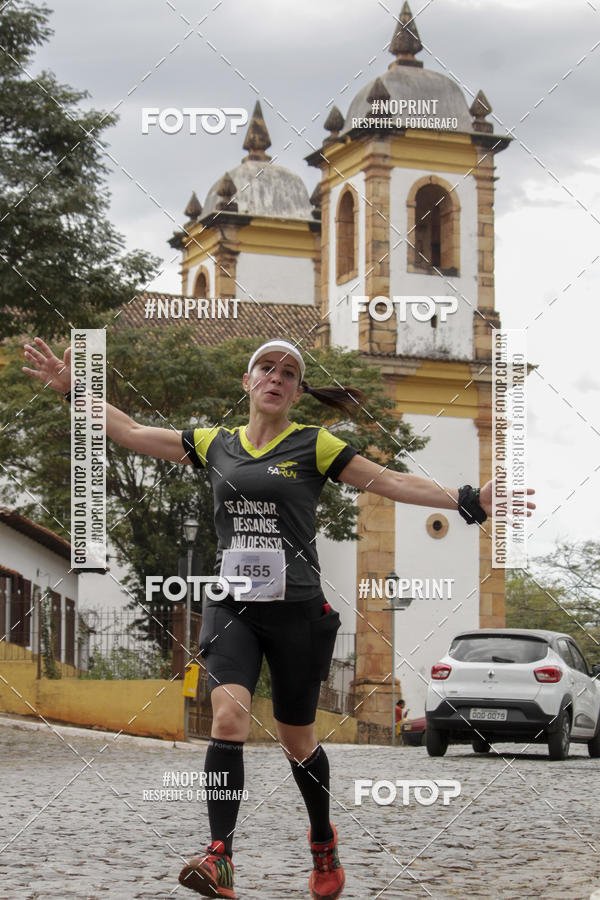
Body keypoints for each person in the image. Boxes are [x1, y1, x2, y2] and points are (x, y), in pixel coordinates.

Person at [22, 335, 535, 900]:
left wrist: (469, 499)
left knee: (298, 742)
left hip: (298, 615)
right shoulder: (215, 444)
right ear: (248, 382)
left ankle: (321, 839)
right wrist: (78, 392)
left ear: (295, 392)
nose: (276, 377)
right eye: (266, 367)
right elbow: (134, 433)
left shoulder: (314, 446)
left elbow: (389, 481)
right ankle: (220, 856)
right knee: (229, 716)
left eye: (288, 373)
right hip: (234, 607)